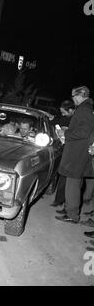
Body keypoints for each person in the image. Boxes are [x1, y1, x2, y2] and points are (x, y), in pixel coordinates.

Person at [56, 86, 94, 224]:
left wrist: (65, 133)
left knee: (73, 184)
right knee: (73, 184)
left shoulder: (85, 109)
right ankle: (69, 209)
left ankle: (72, 215)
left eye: (73, 96)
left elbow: (84, 132)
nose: (72, 99)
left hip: (77, 153)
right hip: (78, 152)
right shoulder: (86, 107)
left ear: (80, 95)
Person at [51, 100, 75, 207]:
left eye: (64, 112)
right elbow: (57, 121)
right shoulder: (65, 117)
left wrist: (66, 132)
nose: (62, 114)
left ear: (70, 110)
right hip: (63, 148)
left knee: (68, 178)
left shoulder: (77, 119)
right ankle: (59, 200)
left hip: (73, 151)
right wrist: (52, 119)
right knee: (62, 174)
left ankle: (63, 201)